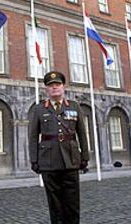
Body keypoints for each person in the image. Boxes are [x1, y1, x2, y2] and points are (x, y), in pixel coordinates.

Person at [28, 71, 89, 224]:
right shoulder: (39, 109)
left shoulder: (74, 107)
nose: (54, 88)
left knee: (72, 202)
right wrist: (34, 160)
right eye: (51, 85)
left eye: (57, 84)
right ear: (46, 90)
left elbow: (82, 133)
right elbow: (33, 136)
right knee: (54, 203)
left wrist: (85, 157)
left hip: (71, 159)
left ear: (63, 87)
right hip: (49, 161)